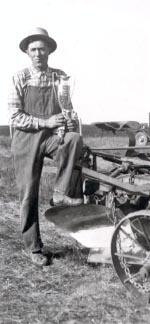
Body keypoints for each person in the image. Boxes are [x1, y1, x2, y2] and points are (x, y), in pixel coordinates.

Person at [8, 27, 83, 266]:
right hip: (25, 139)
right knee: (28, 195)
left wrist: (67, 122)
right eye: (33, 49)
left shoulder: (60, 76)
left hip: (51, 137)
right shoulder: (19, 78)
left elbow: (67, 108)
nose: (38, 53)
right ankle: (34, 248)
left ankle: (61, 193)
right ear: (28, 53)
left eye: (42, 48)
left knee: (74, 140)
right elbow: (15, 116)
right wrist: (45, 121)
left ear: (49, 50)